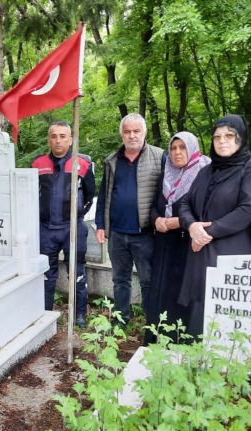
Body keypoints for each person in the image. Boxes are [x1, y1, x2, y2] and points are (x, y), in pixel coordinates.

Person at [178, 114, 251, 339]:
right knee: (198, 315)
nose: (222, 141)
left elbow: (247, 210)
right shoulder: (206, 171)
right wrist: (192, 227)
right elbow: (184, 203)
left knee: (227, 323)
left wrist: (206, 232)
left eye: (230, 136)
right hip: (201, 255)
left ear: (241, 139)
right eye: (217, 136)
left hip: (233, 256)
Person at [94, 113, 164, 325]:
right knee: (120, 280)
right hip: (117, 233)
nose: (132, 136)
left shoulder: (160, 157)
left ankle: (152, 323)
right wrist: (100, 224)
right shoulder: (112, 161)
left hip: (146, 234)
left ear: (144, 132)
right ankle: (121, 320)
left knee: (148, 281)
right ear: (122, 134)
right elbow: (104, 194)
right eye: (127, 131)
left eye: (136, 131)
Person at [144, 132, 210, 345]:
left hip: (187, 246)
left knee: (180, 296)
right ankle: (156, 340)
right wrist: (156, 220)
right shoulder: (167, 173)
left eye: (182, 147)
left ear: (192, 149)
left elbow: (205, 213)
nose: (177, 152)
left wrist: (176, 222)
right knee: (159, 293)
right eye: (173, 148)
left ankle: (178, 343)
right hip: (164, 245)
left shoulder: (203, 175)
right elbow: (155, 205)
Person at [31, 121, 95, 328]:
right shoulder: (37, 164)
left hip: (72, 229)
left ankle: (79, 315)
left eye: (62, 136)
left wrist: (77, 215)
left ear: (70, 139)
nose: (58, 140)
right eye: (54, 136)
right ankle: (45, 314)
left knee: (77, 274)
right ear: (49, 139)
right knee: (46, 275)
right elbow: (31, 195)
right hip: (46, 230)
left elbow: (90, 195)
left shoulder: (82, 164)